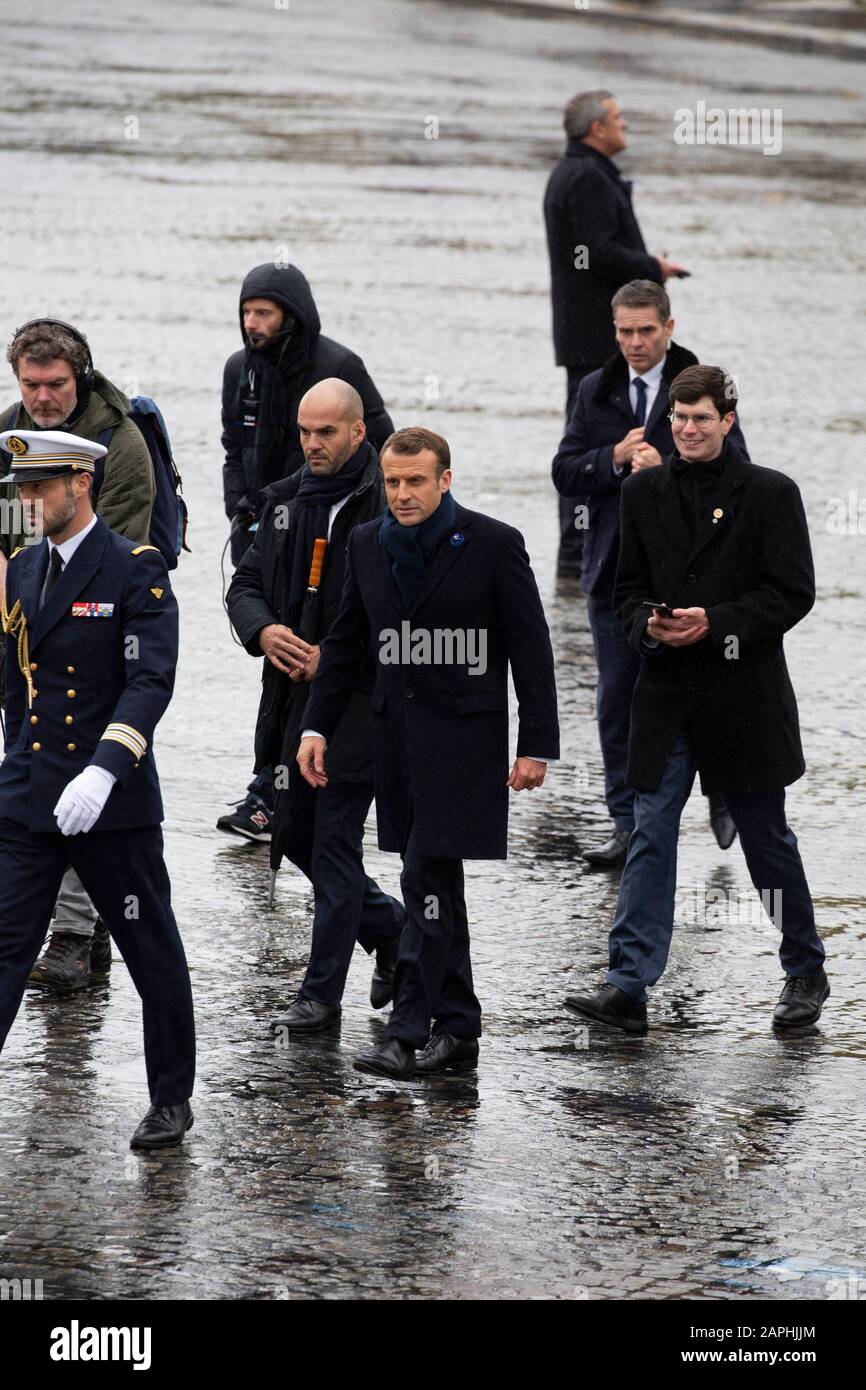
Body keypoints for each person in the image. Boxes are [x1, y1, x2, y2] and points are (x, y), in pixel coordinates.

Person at [563, 366, 828, 1034]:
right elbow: (623, 592)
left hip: (745, 695)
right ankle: (627, 984)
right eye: (679, 419)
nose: (687, 430)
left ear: (727, 422)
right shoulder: (645, 490)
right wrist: (646, 625)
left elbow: (792, 593)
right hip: (666, 692)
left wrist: (716, 620)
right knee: (650, 829)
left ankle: (804, 969)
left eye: (701, 419)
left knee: (765, 839)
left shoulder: (771, 493)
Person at [297, 427, 560, 1079]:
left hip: (466, 744)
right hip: (397, 743)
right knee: (437, 885)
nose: (403, 493)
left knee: (424, 880)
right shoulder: (365, 543)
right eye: (392, 481)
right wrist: (315, 728)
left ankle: (407, 1031)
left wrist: (536, 745)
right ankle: (461, 1029)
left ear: (446, 479)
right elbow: (347, 641)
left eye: (416, 480)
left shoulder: (494, 544)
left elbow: (531, 649)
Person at [0, 428, 195, 1148]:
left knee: (153, 953)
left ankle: (171, 1099)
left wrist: (105, 769)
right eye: (21, 489)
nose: (28, 501)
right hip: (31, 794)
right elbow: (17, 685)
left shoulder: (133, 570)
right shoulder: (22, 571)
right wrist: (18, 757)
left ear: (81, 483)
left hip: (109, 801)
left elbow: (150, 682)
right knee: (6, 945)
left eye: (40, 487)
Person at [226, 380, 404, 1029]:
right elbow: (244, 582)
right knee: (294, 834)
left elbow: (415, 612)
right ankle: (395, 933)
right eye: (304, 432)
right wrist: (264, 630)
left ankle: (321, 995)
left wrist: (341, 655)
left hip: (364, 702)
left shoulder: (392, 499)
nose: (312, 444)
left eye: (326, 432)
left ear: (358, 432)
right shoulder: (283, 502)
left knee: (331, 843)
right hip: (291, 701)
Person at [552, 280, 745, 865]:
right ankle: (625, 822)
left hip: (690, 575)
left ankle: (723, 792)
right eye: (623, 331)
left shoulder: (704, 386)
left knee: (707, 692)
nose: (634, 342)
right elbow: (564, 469)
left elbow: (741, 476)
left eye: (645, 330)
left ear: (669, 327)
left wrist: (667, 472)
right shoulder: (597, 388)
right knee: (617, 701)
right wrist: (609, 460)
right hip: (614, 573)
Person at [0, 318, 157, 992]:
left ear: (80, 375)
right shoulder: (11, 434)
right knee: (30, 766)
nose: (41, 396)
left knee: (88, 768)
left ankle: (70, 932)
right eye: (30, 383)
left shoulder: (118, 445)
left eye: (55, 384)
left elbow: (111, 556)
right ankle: (74, 928)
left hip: (96, 634)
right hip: (17, 629)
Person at [218, 261, 394, 842]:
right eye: (246, 311)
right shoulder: (239, 368)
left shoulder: (339, 367)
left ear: (291, 315)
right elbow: (232, 445)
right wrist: (242, 510)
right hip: (273, 520)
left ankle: (286, 792)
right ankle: (269, 787)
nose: (252, 323)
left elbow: (387, 447)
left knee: (325, 649)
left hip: (334, 517)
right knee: (278, 650)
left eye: (263, 312)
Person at [544, 90, 687, 576]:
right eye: (618, 118)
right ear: (596, 129)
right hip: (593, 342)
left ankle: (594, 548)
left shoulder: (583, 172)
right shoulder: (585, 176)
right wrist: (653, 266)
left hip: (588, 335)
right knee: (589, 442)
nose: (625, 124)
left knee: (608, 442)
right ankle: (576, 554)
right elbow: (596, 250)